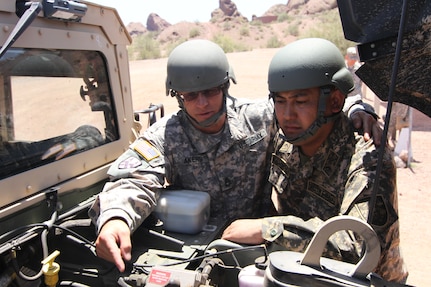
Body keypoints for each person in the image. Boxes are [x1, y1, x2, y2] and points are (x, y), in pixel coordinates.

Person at [88, 39, 380, 272]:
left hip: (262, 250)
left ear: (225, 86)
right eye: (190, 96)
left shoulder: (259, 118)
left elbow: (311, 104)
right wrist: (116, 218)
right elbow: (133, 180)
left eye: (211, 91)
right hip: (193, 253)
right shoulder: (166, 135)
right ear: (177, 96)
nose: (202, 103)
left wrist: (358, 109)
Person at [222, 38, 408, 283]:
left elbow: (358, 248)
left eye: (300, 102)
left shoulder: (368, 159)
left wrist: (270, 229)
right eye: (280, 101)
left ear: (334, 101)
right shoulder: (282, 136)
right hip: (296, 270)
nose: (288, 114)